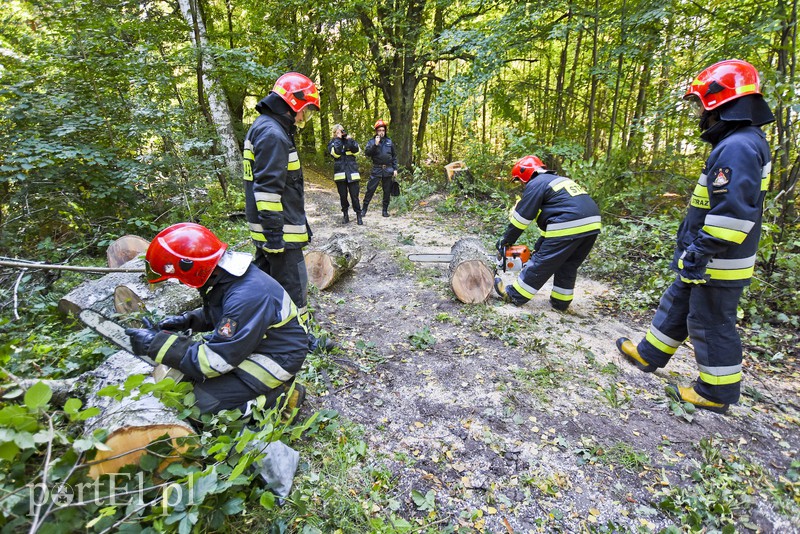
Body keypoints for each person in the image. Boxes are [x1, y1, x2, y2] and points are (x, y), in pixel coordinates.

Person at [616, 59, 774, 413]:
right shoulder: (741, 141)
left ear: (716, 102)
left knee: (710, 320)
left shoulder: (738, 147)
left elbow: (732, 214)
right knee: (679, 301)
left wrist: (700, 250)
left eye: (700, 105)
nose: (699, 114)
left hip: (719, 260)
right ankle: (648, 354)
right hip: (707, 257)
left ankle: (715, 392)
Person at [124, 223, 308, 414]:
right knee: (189, 382)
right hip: (258, 345)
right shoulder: (229, 278)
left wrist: (156, 345)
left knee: (200, 404)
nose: (180, 282)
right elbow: (222, 313)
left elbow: (215, 361)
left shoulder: (247, 296)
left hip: (277, 358)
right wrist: (186, 321)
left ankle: (282, 398)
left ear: (192, 268)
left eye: (180, 278)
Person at [242, 72, 331, 351]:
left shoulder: (264, 127)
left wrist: (299, 224)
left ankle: (263, 333)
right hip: (278, 232)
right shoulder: (273, 134)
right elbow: (268, 192)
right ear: (294, 103)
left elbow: (282, 187)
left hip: (275, 228)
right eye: (305, 110)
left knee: (265, 285)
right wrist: (275, 237)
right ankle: (300, 342)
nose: (304, 117)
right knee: (294, 287)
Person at [494, 155, 601, 311]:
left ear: (524, 176)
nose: (522, 185)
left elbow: (522, 218)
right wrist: (540, 245)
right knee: (568, 264)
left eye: (520, 181)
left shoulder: (536, 183)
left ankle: (514, 295)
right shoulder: (558, 181)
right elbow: (555, 220)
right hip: (592, 223)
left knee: (541, 261)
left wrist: (506, 240)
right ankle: (561, 302)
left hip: (569, 223)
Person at [361, 119, 398, 218]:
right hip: (377, 169)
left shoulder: (389, 142)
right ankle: (364, 209)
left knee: (387, 191)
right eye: (379, 130)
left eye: (383, 130)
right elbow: (367, 153)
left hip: (388, 169)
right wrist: (375, 145)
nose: (381, 132)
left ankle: (385, 210)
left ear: (385, 131)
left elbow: (394, 156)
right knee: (370, 189)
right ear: (376, 131)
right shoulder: (372, 141)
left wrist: (395, 169)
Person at [327, 124, 363, 225]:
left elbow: (356, 152)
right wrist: (338, 140)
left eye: (342, 131)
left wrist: (349, 140)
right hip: (340, 174)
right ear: (334, 133)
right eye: (338, 132)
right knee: (343, 196)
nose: (341, 133)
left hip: (352, 173)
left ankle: (358, 215)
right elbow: (336, 153)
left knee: (355, 196)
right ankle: (345, 215)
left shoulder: (350, 140)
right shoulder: (332, 143)